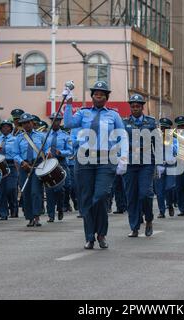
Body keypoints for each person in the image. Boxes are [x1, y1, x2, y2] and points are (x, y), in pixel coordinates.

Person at [64, 80, 127, 250]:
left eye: (102, 94)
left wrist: (124, 158)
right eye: (95, 94)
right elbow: (68, 124)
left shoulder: (113, 115)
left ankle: (102, 233)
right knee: (86, 198)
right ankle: (90, 236)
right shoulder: (83, 113)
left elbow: (123, 136)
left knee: (100, 196)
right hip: (84, 160)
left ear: (106, 97)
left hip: (106, 160)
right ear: (92, 96)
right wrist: (68, 104)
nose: (98, 96)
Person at [122, 94, 156, 237]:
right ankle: (134, 227)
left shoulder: (151, 122)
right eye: (133, 106)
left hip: (146, 161)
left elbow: (158, 142)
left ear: (142, 107)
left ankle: (148, 219)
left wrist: (160, 163)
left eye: (138, 106)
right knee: (131, 195)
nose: (135, 108)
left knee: (145, 193)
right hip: (130, 162)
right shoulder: (124, 123)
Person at [13, 113, 48, 227]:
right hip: (24, 167)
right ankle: (30, 217)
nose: (27, 125)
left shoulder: (41, 136)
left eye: (28, 122)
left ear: (33, 123)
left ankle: (37, 216)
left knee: (36, 192)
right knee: (26, 192)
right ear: (21, 125)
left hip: (37, 166)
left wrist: (48, 154)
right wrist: (22, 162)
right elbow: (15, 154)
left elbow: (46, 149)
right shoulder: (18, 138)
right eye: (24, 123)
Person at [45, 113, 73, 222]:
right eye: (53, 120)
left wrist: (60, 152)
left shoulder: (66, 136)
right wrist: (46, 153)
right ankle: (51, 214)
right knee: (49, 189)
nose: (55, 122)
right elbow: (41, 148)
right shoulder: (46, 135)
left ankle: (60, 208)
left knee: (60, 189)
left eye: (57, 120)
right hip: (48, 163)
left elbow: (70, 151)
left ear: (60, 122)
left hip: (61, 163)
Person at [0, 120, 18, 220]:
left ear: (11, 128)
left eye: (7, 127)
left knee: (11, 188)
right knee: (1, 190)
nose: (5, 128)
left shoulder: (15, 139)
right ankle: (3, 213)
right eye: (3, 127)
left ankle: (13, 208)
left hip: (11, 165)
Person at [154, 118, 178, 218]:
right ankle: (161, 211)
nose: (163, 130)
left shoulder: (174, 139)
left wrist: (169, 143)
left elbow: (176, 152)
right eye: (162, 128)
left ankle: (170, 204)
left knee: (169, 187)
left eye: (166, 128)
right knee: (159, 191)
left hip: (170, 165)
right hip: (158, 165)